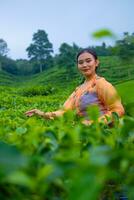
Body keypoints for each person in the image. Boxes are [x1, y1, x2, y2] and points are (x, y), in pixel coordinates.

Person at [25, 48, 125, 125]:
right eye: (80, 62)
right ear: (78, 66)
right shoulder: (78, 90)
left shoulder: (102, 84)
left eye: (88, 61)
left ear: (96, 62)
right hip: (87, 134)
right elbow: (63, 112)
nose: (84, 65)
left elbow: (118, 110)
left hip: (104, 133)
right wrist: (42, 114)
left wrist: (92, 123)